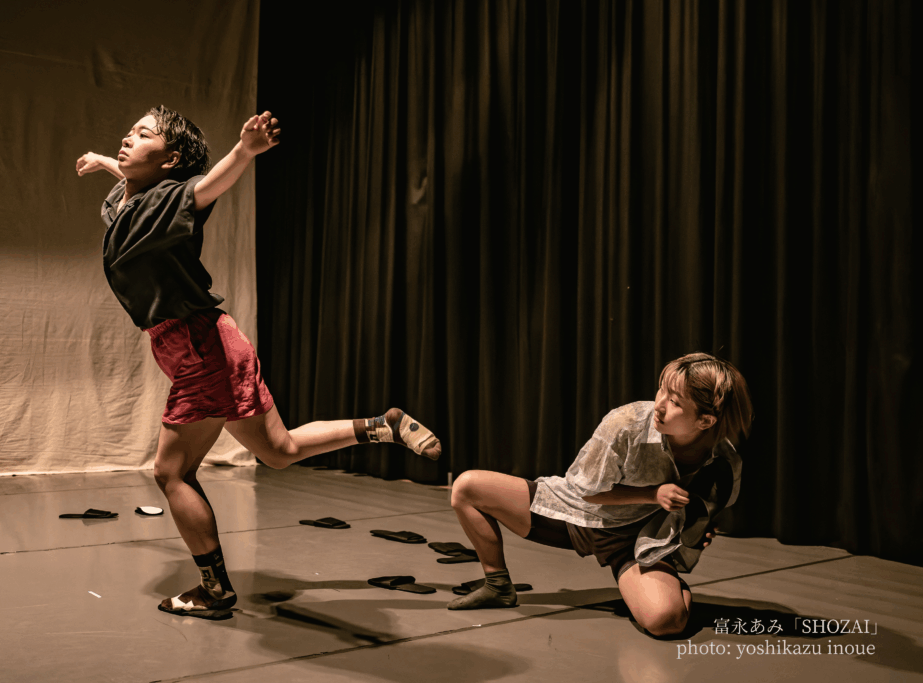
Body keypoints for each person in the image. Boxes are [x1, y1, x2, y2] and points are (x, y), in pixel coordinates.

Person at [76, 106, 441, 619]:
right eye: (129, 130)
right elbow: (133, 180)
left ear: (171, 160)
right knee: (279, 450)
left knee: (172, 473)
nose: (127, 137)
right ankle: (383, 426)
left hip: (200, 347)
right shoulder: (130, 199)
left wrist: (245, 151)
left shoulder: (170, 198)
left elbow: (207, 187)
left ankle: (214, 591)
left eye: (143, 134)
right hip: (210, 343)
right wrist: (103, 160)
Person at [447, 352, 753, 637]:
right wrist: (653, 494)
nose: (659, 404)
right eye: (661, 389)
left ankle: (662, 586)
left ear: (705, 421)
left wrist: (695, 530)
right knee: (466, 487)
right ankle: (498, 584)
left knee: (666, 621)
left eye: (674, 402)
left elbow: (703, 513)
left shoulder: (722, 460)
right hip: (572, 514)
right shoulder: (626, 423)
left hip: (631, 542)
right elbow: (588, 494)